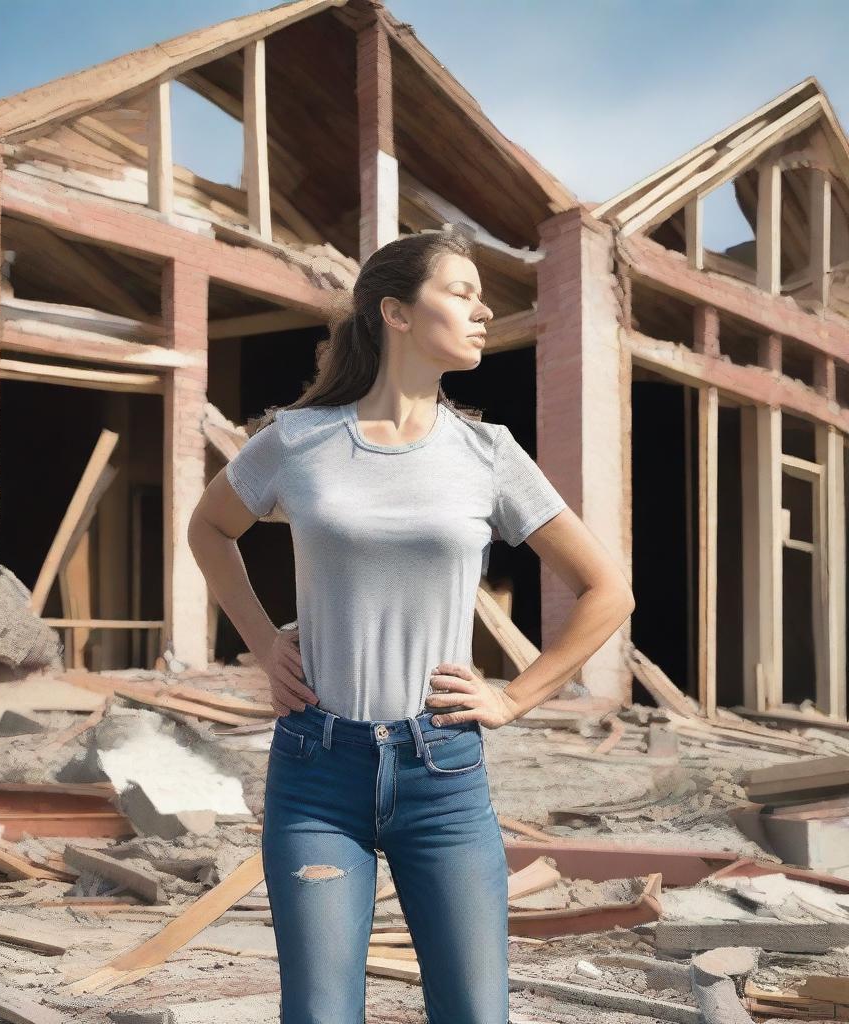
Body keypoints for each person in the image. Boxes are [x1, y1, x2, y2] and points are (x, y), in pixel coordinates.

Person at [187, 226, 635, 1023]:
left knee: (475, 1015)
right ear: (395, 312)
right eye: (461, 292)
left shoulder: (488, 453)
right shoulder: (298, 440)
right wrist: (261, 642)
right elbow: (208, 528)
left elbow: (606, 590)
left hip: (445, 778)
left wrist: (515, 698)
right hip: (317, 774)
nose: (483, 310)